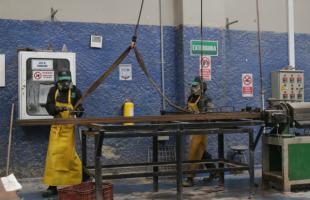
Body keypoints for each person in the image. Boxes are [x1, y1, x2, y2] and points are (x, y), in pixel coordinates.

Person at [42, 70, 84, 197]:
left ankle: (81, 179)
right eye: (62, 81)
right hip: (57, 128)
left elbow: (80, 107)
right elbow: (48, 105)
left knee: (69, 156)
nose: (65, 84)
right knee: (53, 157)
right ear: (58, 81)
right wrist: (56, 109)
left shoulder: (76, 92)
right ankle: (52, 186)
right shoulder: (53, 90)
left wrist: (79, 111)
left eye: (67, 81)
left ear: (70, 80)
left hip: (69, 129)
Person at [183, 76, 214, 187]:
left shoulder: (206, 99)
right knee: (201, 150)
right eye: (192, 86)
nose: (192, 88)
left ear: (202, 87)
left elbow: (210, 112)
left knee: (194, 152)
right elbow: (187, 109)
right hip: (193, 127)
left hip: (202, 127)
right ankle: (214, 170)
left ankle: (190, 178)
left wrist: (202, 113)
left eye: (195, 86)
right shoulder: (191, 98)